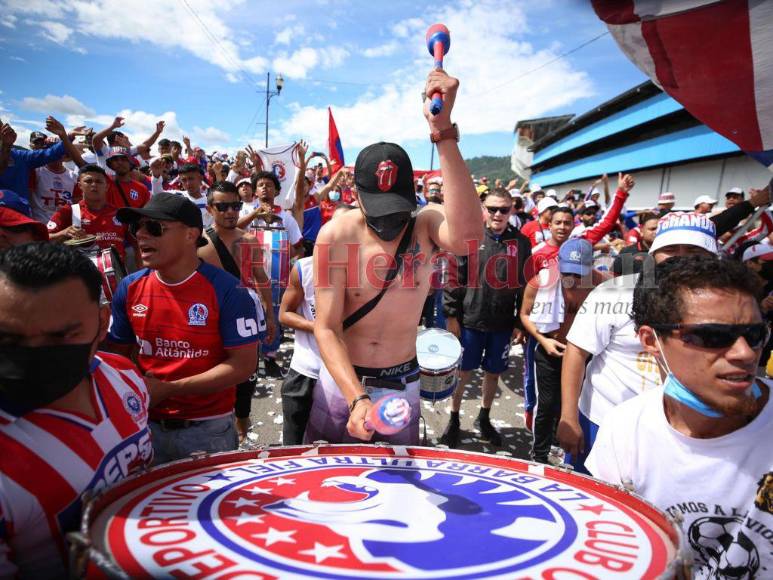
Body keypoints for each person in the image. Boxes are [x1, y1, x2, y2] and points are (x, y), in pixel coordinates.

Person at [307, 69, 482, 445]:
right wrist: (357, 398)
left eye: (397, 210)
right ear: (356, 196)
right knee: (330, 486)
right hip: (344, 382)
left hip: (402, 381)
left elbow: (468, 238)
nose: (390, 223)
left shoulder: (426, 223)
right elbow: (326, 326)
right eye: (379, 211)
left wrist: (444, 130)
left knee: (398, 489)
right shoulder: (335, 234)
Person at [586, 255, 772, 577]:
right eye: (713, 336)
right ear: (650, 341)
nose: (745, 353)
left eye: (755, 334)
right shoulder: (624, 430)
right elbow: (611, 549)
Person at [0, 243, 153, 577]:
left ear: (102, 321)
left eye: (59, 336)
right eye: (9, 339)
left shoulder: (123, 376)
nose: (34, 355)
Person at [107, 192, 262, 464]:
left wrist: (171, 388)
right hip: (143, 425)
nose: (141, 235)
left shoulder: (228, 291)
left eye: (154, 227)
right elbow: (119, 355)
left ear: (191, 235)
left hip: (207, 431)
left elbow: (244, 365)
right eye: (136, 227)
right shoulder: (129, 287)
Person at [558, 211, 719, 473]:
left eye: (693, 250)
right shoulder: (614, 293)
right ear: (653, 255)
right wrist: (568, 417)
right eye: (671, 250)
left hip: (682, 432)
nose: (681, 258)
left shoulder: (726, 306)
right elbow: (576, 351)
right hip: (602, 421)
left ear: (713, 258)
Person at [440, 187, 531, 448]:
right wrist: (451, 315)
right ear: (484, 208)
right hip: (470, 320)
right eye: (492, 208)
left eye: (504, 209)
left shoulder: (522, 243)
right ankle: (454, 418)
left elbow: (525, 285)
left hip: (502, 323)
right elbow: (454, 277)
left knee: (493, 374)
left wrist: (519, 323)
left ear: (512, 209)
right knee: (463, 372)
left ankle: (484, 417)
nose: (498, 214)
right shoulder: (469, 237)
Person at [520, 239, 611, 464]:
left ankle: (564, 449)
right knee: (547, 404)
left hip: (584, 353)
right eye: (567, 272)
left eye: (579, 274)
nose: (572, 279)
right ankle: (539, 454)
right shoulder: (541, 282)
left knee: (576, 403)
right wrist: (543, 340)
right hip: (551, 349)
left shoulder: (603, 286)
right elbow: (524, 314)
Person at [198, 181, 275, 440]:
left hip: (245, 318)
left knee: (246, 378)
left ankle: (242, 431)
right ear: (210, 208)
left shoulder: (249, 240)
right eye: (223, 206)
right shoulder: (198, 243)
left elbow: (261, 276)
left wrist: (270, 315)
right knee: (215, 375)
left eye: (235, 205)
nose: (230, 211)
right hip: (210, 320)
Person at [238, 168, 304, 378]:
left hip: (277, 279)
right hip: (248, 276)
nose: (265, 188)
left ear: (276, 191)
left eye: (269, 185)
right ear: (255, 191)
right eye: (260, 185)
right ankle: (249, 358)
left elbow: (298, 246)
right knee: (247, 314)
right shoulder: (245, 213)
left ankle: (270, 357)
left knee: (273, 315)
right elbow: (232, 233)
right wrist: (255, 214)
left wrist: (281, 258)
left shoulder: (286, 218)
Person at [47, 165, 137, 264]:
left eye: (99, 181)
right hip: (81, 274)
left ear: (106, 186)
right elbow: (43, 238)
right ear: (80, 185)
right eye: (88, 181)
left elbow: (138, 244)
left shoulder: (120, 214)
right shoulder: (69, 211)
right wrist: (63, 233)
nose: (94, 184)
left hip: (118, 275)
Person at [278, 255, 320, 444]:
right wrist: (319, 328)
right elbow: (285, 313)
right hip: (305, 372)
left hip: (350, 377)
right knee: (292, 448)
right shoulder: (306, 267)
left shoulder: (373, 269)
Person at [0, 118, 66, 198]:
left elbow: (52, 153)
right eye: (36, 143)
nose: (39, 146)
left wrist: (65, 135)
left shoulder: (21, 156)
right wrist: (6, 147)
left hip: (20, 209)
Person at [151, 162, 211, 227]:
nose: (188, 183)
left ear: (200, 178)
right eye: (184, 180)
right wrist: (156, 177)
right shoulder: (177, 196)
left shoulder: (211, 201)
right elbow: (158, 195)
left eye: (191, 178)